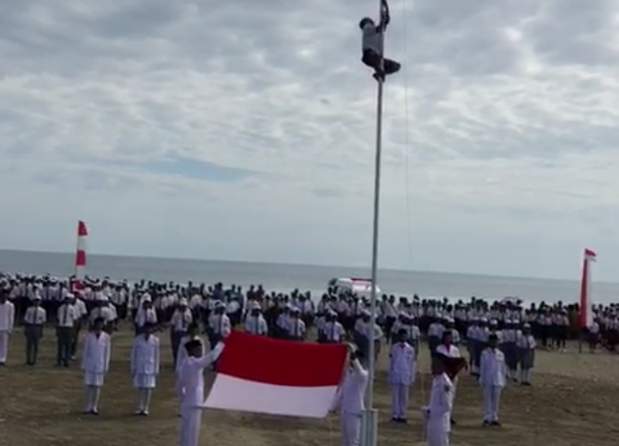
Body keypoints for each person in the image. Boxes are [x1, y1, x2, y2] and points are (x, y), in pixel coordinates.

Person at [177, 339, 225, 446]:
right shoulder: (194, 363)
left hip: (186, 403)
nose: (200, 352)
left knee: (186, 431)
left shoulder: (183, 364)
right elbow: (212, 357)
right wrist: (221, 344)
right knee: (192, 432)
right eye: (198, 350)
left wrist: (183, 399)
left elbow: (179, 387)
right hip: (194, 403)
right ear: (192, 351)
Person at [332, 345, 369, 446]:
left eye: (357, 359)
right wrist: (333, 407)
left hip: (354, 411)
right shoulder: (348, 373)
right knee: (345, 440)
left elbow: (360, 372)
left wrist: (353, 357)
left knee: (353, 441)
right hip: (345, 410)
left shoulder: (364, 375)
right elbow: (342, 392)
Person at [359, 0, 400, 81]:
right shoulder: (367, 27)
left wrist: (386, 7)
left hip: (376, 57)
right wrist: (385, 13)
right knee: (379, 65)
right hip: (370, 55)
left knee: (395, 66)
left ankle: (380, 73)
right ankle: (380, 72)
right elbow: (382, 25)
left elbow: (385, 22)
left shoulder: (375, 32)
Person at [423, 354, 455, 446]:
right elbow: (435, 401)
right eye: (432, 364)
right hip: (432, 422)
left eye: (435, 364)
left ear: (442, 366)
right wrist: (428, 409)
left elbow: (447, 406)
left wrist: (432, 411)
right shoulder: (436, 380)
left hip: (440, 424)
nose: (432, 367)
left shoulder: (445, 383)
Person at [82, 317, 111, 415]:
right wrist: (84, 364)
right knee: (89, 385)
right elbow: (86, 351)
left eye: (101, 324)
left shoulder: (106, 337)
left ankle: (94, 406)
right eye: (98, 324)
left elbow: (107, 353)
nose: (99, 326)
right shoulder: (89, 336)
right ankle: (88, 405)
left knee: (97, 386)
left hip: (100, 363)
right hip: (90, 363)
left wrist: (106, 366)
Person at [131, 322, 160, 416]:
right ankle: (140, 407)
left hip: (150, 366)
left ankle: (146, 408)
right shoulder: (137, 340)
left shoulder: (155, 340)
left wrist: (156, 368)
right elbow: (133, 355)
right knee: (140, 387)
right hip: (140, 365)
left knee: (148, 388)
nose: (148, 330)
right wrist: (133, 367)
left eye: (150, 329)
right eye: (146, 328)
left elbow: (157, 355)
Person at [480, 333, 506, 426]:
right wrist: (481, 379)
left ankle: (495, 417)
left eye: (495, 341)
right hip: (488, 378)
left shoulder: (501, 354)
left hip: (498, 379)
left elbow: (503, 368)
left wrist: (503, 380)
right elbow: (482, 367)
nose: (494, 343)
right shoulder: (484, 353)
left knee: (496, 400)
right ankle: (487, 417)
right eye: (492, 341)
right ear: (489, 342)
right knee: (488, 399)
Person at [389, 329, 415, 423]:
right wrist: (390, 374)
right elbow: (391, 362)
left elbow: (412, 364)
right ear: (399, 336)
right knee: (395, 396)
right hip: (396, 373)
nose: (403, 337)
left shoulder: (411, 349)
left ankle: (403, 415)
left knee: (404, 397)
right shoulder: (394, 347)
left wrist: (412, 377)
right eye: (401, 336)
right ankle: (395, 414)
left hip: (406, 374)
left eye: (405, 336)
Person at [23, 295, 46, 365]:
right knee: (29, 344)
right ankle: (28, 359)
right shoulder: (29, 309)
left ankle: (34, 360)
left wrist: (41, 331)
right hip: (30, 326)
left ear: (40, 302)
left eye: (38, 301)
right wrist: (26, 329)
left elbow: (43, 322)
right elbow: (26, 320)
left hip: (37, 326)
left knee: (36, 345)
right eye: (35, 301)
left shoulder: (42, 311)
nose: (36, 302)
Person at [56, 293, 78, 367]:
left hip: (69, 327)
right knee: (60, 345)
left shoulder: (72, 308)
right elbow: (58, 318)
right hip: (62, 326)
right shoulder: (60, 308)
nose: (67, 301)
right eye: (66, 299)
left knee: (68, 344)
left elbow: (74, 319)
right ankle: (59, 360)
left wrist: (74, 330)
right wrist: (57, 329)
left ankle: (66, 360)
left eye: (69, 299)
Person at [170, 298, 193, 367]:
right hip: (178, 332)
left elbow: (190, 323)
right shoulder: (176, 313)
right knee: (176, 348)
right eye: (182, 306)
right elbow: (173, 324)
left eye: (184, 306)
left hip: (185, 332)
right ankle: (176, 362)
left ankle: (185, 363)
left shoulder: (188, 312)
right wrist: (172, 334)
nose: (183, 307)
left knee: (186, 349)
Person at [0, 289, 15, 366]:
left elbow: (11, 317)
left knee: (4, 345)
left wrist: (10, 328)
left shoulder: (10, 305)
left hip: (5, 328)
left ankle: (2, 359)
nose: (4, 297)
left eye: (6, 296)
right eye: (3, 295)